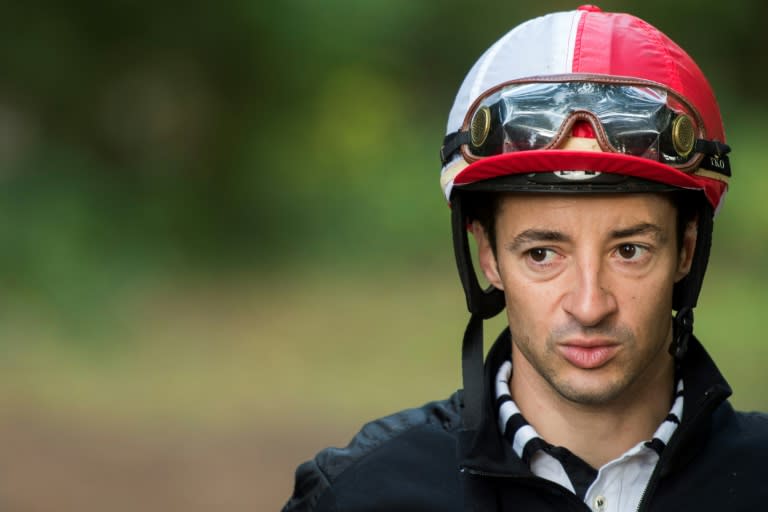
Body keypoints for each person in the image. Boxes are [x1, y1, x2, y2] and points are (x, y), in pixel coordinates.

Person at [283, 6, 768, 511]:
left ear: (686, 251)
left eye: (629, 251)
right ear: (488, 256)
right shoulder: (363, 495)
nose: (588, 305)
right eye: (542, 253)